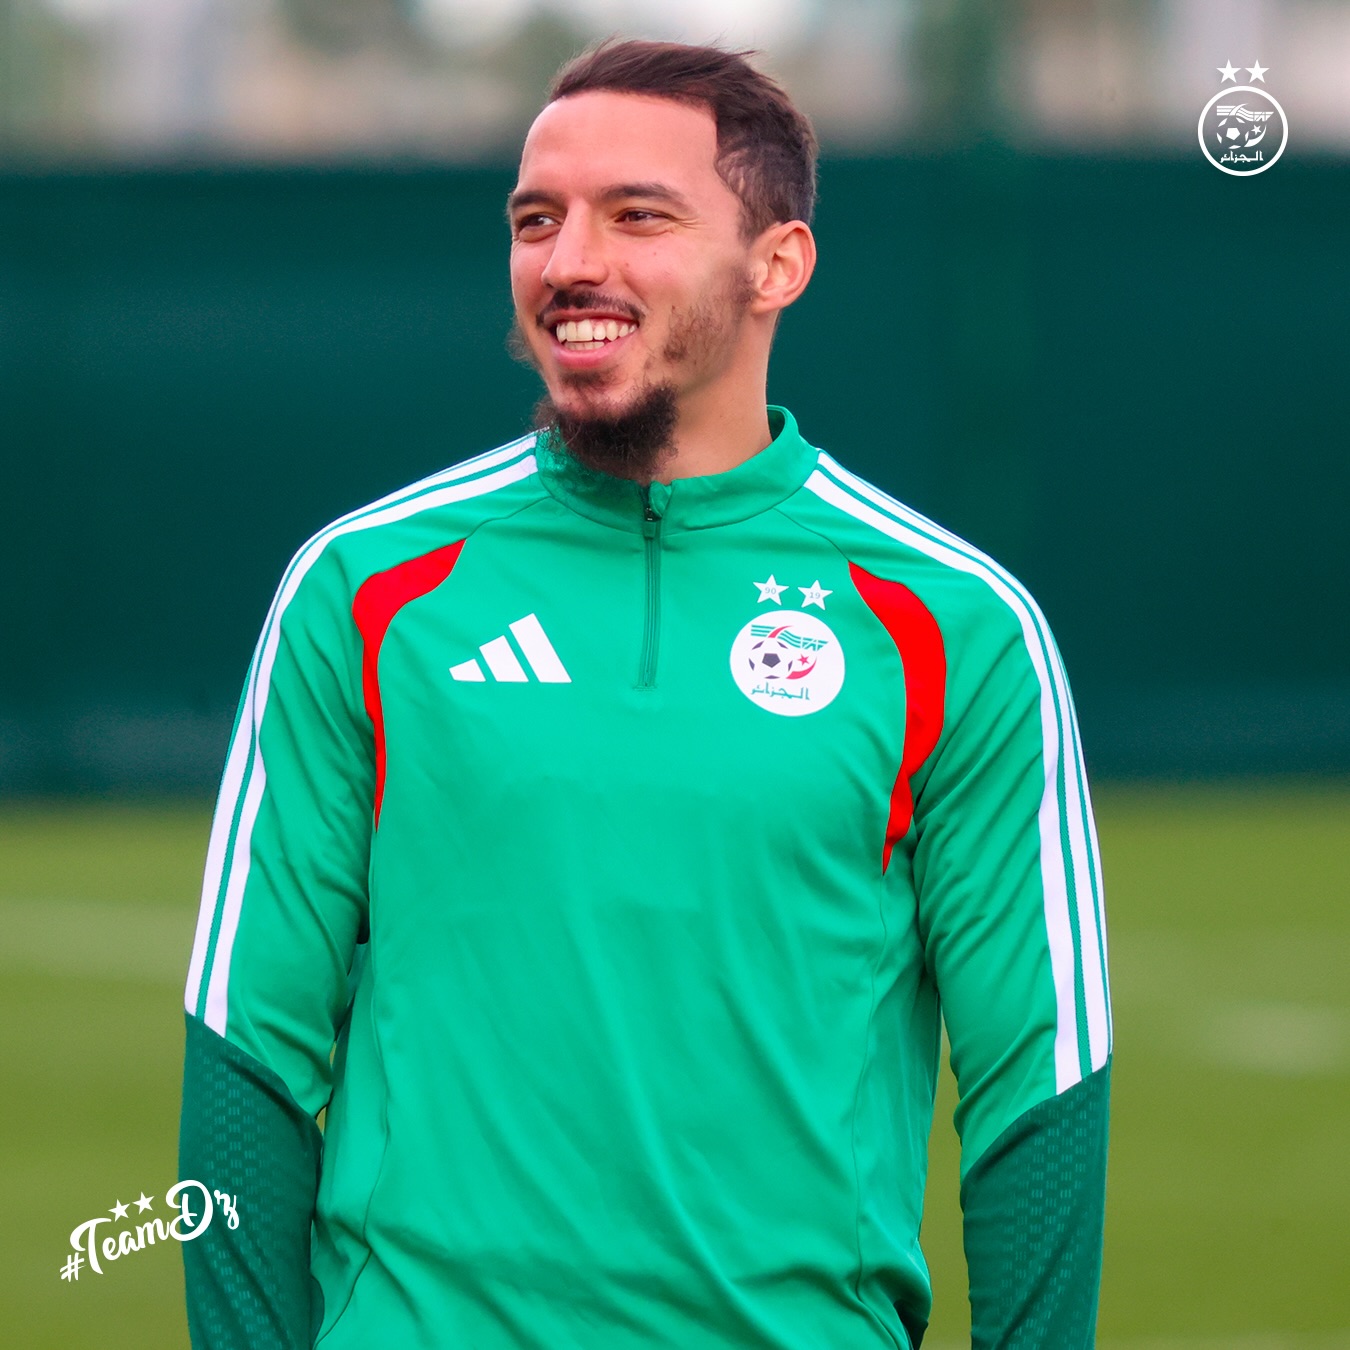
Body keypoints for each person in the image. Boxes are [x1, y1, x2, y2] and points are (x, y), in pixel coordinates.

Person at [180, 39, 1111, 1350]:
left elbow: (1038, 1083)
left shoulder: (956, 626)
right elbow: (247, 1050)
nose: (569, 262)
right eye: (536, 220)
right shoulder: (365, 590)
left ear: (776, 264)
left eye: (637, 216)